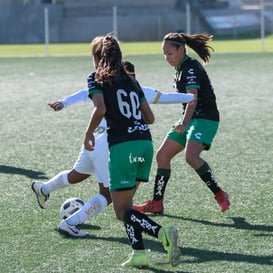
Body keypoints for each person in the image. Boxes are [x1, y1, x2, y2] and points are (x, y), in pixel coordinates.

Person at [31, 61, 194, 238]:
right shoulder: (138, 89)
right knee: (109, 194)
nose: (131, 79)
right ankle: (71, 223)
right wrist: (191, 97)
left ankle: (44, 188)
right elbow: (165, 98)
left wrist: (64, 102)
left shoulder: (105, 87)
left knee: (77, 175)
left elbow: (83, 94)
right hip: (109, 143)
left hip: (93, 141)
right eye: (129, 75)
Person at [82, 34, 181, 268]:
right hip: (144, 144)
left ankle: (162, 233)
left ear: (97, 57)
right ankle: (139, 253)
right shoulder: (131, 80)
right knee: (127, 205)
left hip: (123, 147)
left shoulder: (96, 78)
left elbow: (99, 109)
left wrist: (88, 134)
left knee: (121, 211)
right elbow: (150, 117)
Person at [133, 32, 230, 215]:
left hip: (205, 118)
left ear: (181, 49)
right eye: (164, 54)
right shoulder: (180, 68)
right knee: (162, 156)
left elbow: (192, 98)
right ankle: (157, 203)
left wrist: (184, 124)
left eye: (169, 53)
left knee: (191, 157)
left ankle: (219, 194)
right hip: (190, 118)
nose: (166, 58)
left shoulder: (191, 67)